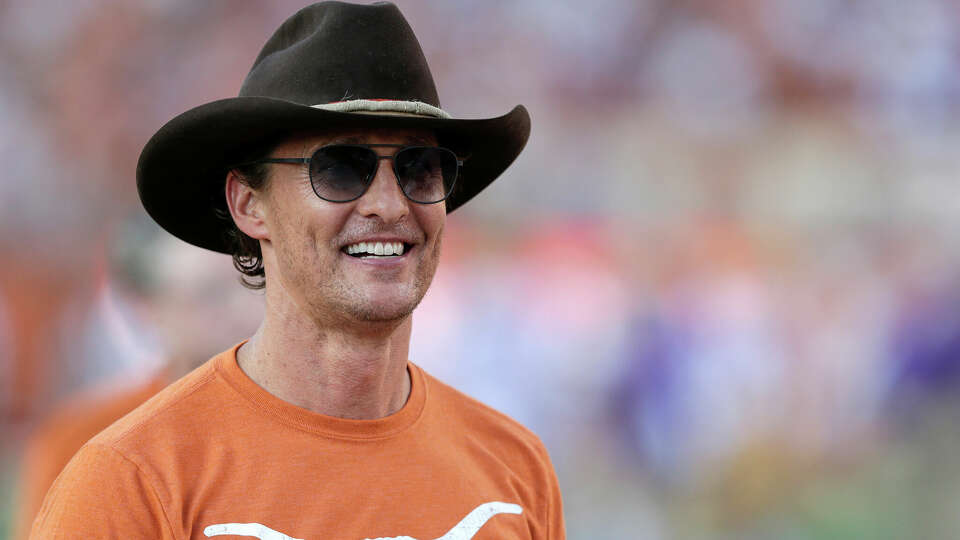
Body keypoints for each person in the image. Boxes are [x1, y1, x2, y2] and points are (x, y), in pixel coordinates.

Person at [30, 3, 565, 539]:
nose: (390, 204)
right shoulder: (135, 481)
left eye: (420, 169)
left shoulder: (514, 469)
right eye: (339, 168)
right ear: (248, 205)